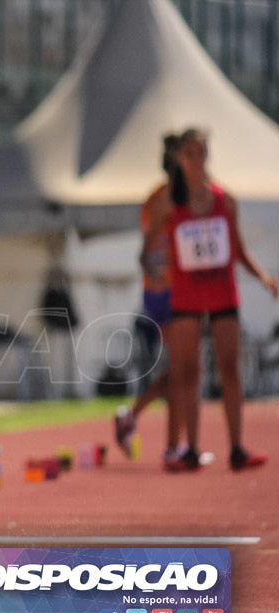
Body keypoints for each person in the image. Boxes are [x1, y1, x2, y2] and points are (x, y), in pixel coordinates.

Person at [144, 128, 278, 472]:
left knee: (230, 369)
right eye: (189, 152)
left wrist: (263, 278)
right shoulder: (169, 204)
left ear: (207, 155)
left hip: (222, 294)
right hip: (186, 297)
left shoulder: (224, 200)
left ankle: (236, 448)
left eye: (201, 151)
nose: (196, 158)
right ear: (180, 158)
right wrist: (160, 275)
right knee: (188, 373)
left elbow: (238, 251)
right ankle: (192, 449)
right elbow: (147, 251)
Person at [114, 134, 182, 458]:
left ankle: (136, 417)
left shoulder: (167, 195)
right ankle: (172, 443)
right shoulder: (163, 198)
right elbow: (147, 252)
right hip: (164, 291)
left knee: (185, 368)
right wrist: (160, 277)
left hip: (173, 288)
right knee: (184, 366)